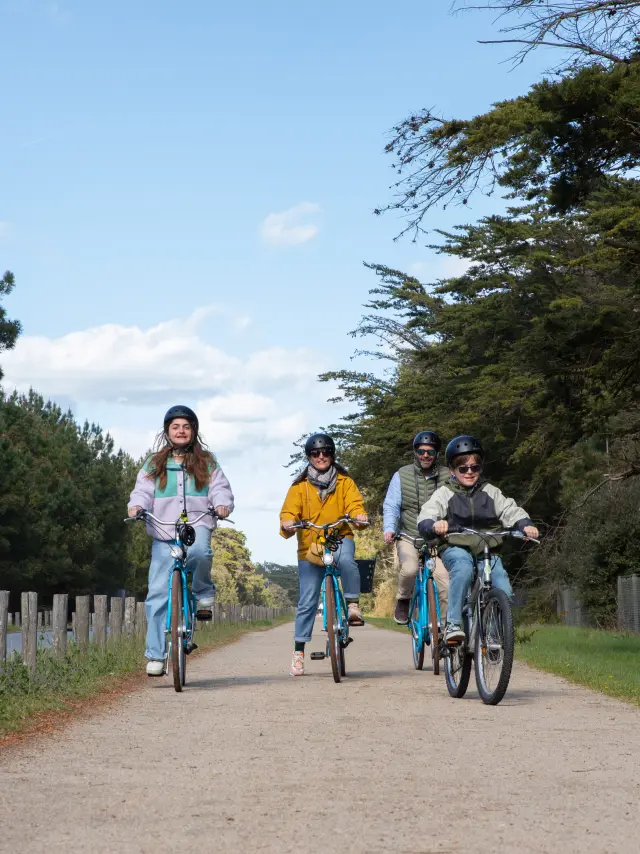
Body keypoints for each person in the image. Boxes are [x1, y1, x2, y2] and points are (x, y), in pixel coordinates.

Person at [128, 405, 234, 676]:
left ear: (194, 431)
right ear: (167, 432)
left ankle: (203, 593)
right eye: (175, 427)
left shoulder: (206, 461)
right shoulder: (155, 462)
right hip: (164, 531)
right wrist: (137, 506)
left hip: (196, 525)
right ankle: (155, 656)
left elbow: (220, 487)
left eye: (186, 426)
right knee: (156, 595)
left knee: (200, 552)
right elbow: (142, 489)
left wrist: (221, 504)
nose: (181, 431)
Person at [417, 435, 539, 645]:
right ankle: (453, 625)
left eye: (475, 467)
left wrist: (525, 525)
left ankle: (492, 634)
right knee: (463, 569)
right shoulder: (445, 493)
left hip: (488, 550)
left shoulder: (490, 491)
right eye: (463, 468)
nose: (470, 472)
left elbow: (510, 509)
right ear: (453, 470)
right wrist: (434, 524)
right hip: (456, 545)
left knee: (503, 588)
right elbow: (427, 514)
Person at [280, 433, 368, 677]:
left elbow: (355, 505)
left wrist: (358, 516)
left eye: (326, 452)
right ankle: (298, 653)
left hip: (339, 537)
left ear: (332, 455)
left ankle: (352, 605)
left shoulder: (344, 482)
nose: (321, 457)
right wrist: (288, 522)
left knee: (348, 560)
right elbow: (288, 512)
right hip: (310, 545)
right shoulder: (299, 487)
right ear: (309, 456)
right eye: (315, 453)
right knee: (307, 600)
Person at [382, 431, 450, 625]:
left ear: (437, 453)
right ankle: (403, 599)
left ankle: (447, 631)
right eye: (421, 451)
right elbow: (391, 505)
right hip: (409, 536)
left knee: (446, 583)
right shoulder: (401, 475)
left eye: (430, 451)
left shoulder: (447, 475)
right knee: (410, 569)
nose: (425, 455)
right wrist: (389, 528)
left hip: (436, 539)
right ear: (415, 452)